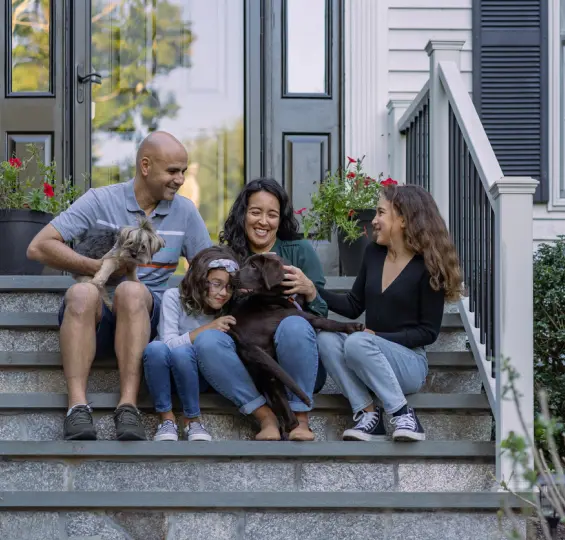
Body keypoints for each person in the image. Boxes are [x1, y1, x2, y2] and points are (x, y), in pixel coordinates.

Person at [26, 131, 212, 441]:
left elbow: (207, 267)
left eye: (183, 171)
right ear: (145, 166)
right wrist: (98, 267)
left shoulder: (185, 211)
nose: (180, 179)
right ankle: (77, 407)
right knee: (82, 291)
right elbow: (39, 247)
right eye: (172, 171)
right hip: (94, 316)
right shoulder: (101, 200)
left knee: (131, 290)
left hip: (141, 313)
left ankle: (128, 407)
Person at [317, 184, 461, 442]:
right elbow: (353, 305)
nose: (374, 220)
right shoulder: (373, 253)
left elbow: (427, 333)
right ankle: (368, 415)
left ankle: (403, 414)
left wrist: (377, 338)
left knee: (359, 342)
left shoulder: (427, 266)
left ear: (404, 220)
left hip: (409, 363)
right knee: (326, 339)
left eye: (381, 213)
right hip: (367, 351)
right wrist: (312, 292)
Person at [193, 178, 327, 441]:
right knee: (207, 339)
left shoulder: (299, 251)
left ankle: (300, 419)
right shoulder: (226, 256)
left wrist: (310, 291)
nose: (263, 221)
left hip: (296, 362)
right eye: (256, 212)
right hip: (248, 365)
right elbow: (208, 308)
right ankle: (266, 418)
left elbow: (321, 316)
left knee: (294, 324)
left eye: (272, 214)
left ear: (281, 218)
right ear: (243, 214)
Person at [142, 246, 240, 442]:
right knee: (155, 348)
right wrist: (207, 328)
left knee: (182, 353)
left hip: (200, 377)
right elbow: (168, 343)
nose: (223, 293)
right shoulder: (174, 297)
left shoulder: (228, 309)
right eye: (216, 284)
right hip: (163, 373)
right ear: (200, 279)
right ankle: (166, 419)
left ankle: (192, 420)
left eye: (229, 287)